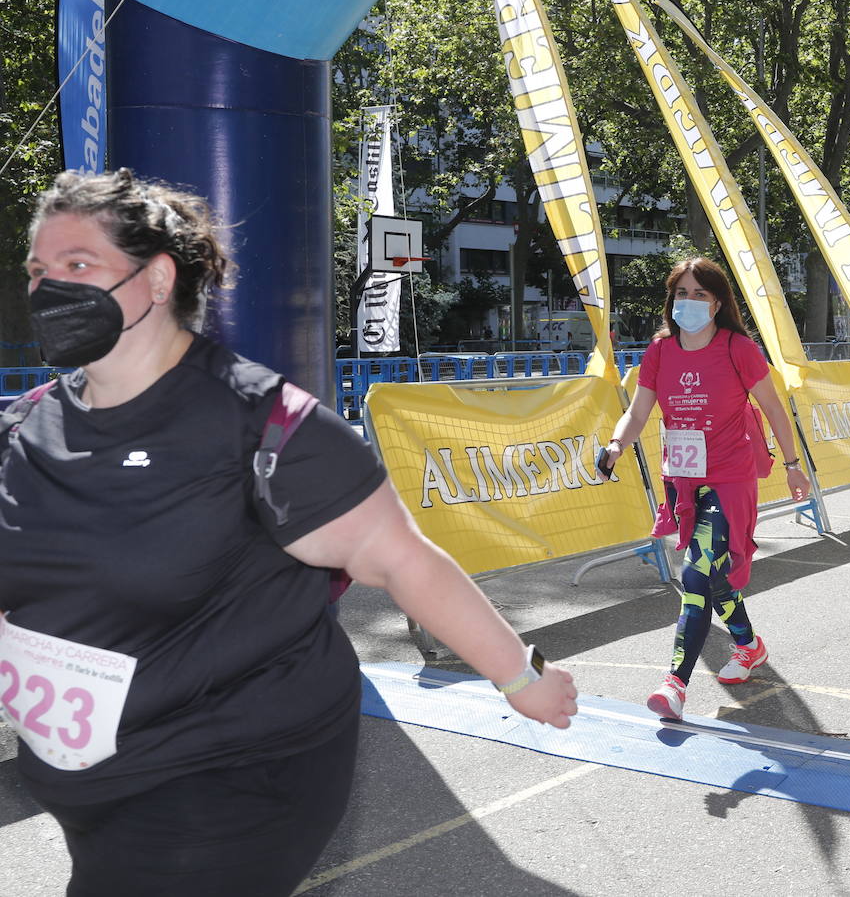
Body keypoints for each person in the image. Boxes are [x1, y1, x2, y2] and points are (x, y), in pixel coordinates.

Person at [1, 170, 578, 897]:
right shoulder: (23, 426)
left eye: (77, 265)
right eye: (37, 270)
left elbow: (402, 560)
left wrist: (521, 678)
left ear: (154, 280)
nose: (49, 287)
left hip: (233, 777)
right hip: (93, 780)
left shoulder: (264, 425)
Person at [602, 257, 810, 720]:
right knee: (713, 574)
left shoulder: (737, 347)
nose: (690, 301)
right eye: (682, 293)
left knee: (695, 572)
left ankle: (674, 683)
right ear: (671, 300)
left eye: (701, 294)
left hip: (730, 477)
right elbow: (637, 413)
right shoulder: (659, 352)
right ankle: (748, 644)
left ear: (718, 303)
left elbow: (774, 408)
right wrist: (616, 444)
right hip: (683, 477)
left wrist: (793, 465)